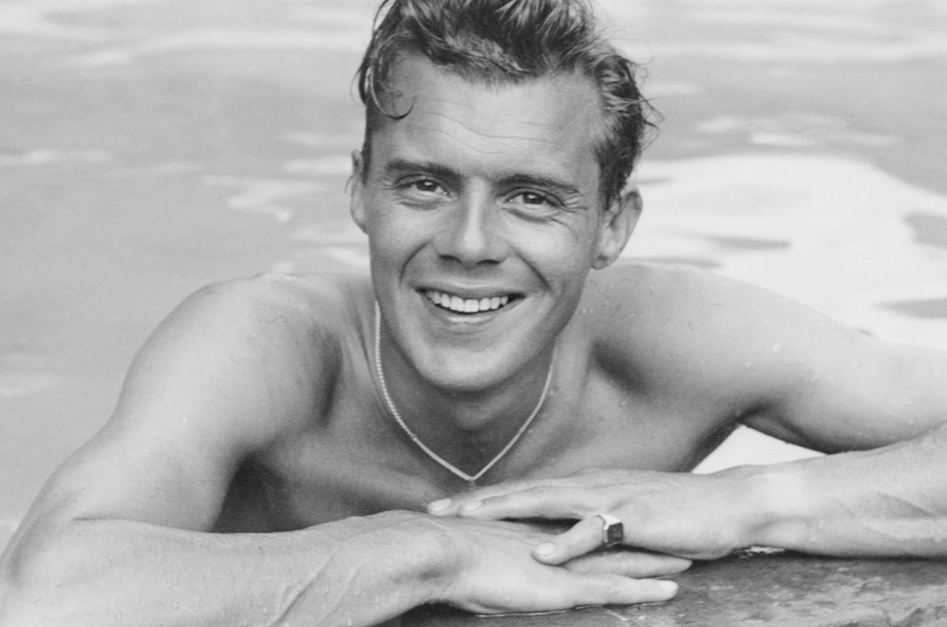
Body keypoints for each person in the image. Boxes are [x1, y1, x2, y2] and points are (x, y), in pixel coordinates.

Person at [3, 0, 947, 624]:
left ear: (610, 225)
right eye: (423, 184)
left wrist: (744, 500)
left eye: (532, 197)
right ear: (360, 193)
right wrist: (423, 550)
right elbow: (49, 590)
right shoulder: (265, 344)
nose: (468, 241)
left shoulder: (680, 338)